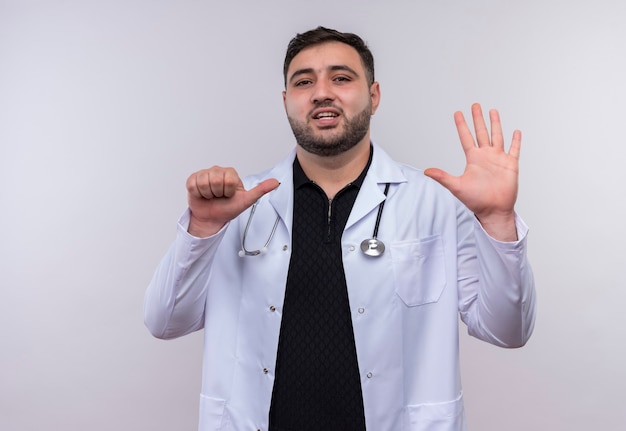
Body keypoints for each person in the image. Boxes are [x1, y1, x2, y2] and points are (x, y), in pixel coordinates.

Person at [144, 26, 536, 431]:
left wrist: (497, 220)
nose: (321, 93)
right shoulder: (238, 207)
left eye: (342, 78)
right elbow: (165, 321)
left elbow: (507, 330)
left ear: (374, 95)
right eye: (303, 82)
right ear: (286, 101)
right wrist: (203, 229)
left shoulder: (434, 204)